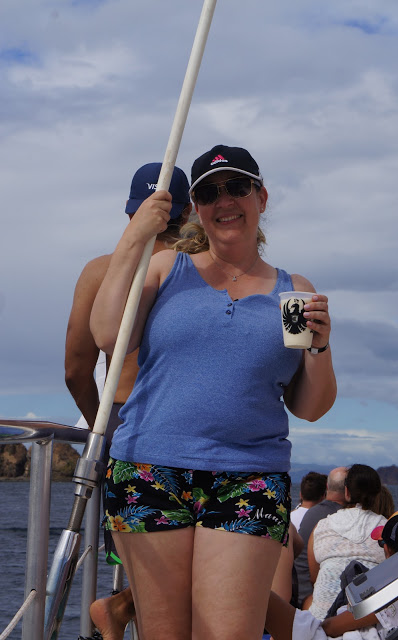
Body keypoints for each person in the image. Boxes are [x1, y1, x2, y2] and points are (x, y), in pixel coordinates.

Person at [90, 144, 337, 639]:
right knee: (164, 631)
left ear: (261, 197)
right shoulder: (167, 269)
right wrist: (134, 235)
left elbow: (310, 407)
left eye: (237, 187)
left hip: (249, 476)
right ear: (196, 209)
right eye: (209, 193)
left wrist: (320, 346)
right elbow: (107, 334)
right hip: (149, 467)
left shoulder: (293, 291)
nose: (225, 200)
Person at [65, 162, 192, 640]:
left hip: (124, 427)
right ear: (189, 213)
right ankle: (119, 608)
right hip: (194, 426)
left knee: (151, 564)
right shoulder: (207, 273)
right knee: (207, 555)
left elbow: (75, 370)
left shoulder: (100, 272)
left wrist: (102, 426)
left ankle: (119, 608)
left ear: (130, 211)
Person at [264, 511, 398, 640]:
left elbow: (330, 628)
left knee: (265, 598)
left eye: (381, 543)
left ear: (388, 550)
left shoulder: (396, 592)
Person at [307, 464, 386, 621]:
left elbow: (314, 577)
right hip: (366, 621)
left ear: (347, 492)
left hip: (321, 620)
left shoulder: (322, 526)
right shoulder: (386, 529)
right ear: (378, 493)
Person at [294, 466, 347, 609]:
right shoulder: (338, 517)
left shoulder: (311, 513)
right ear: (348, 491)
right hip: (314, 597)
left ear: (328, 487)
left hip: (298, 591)